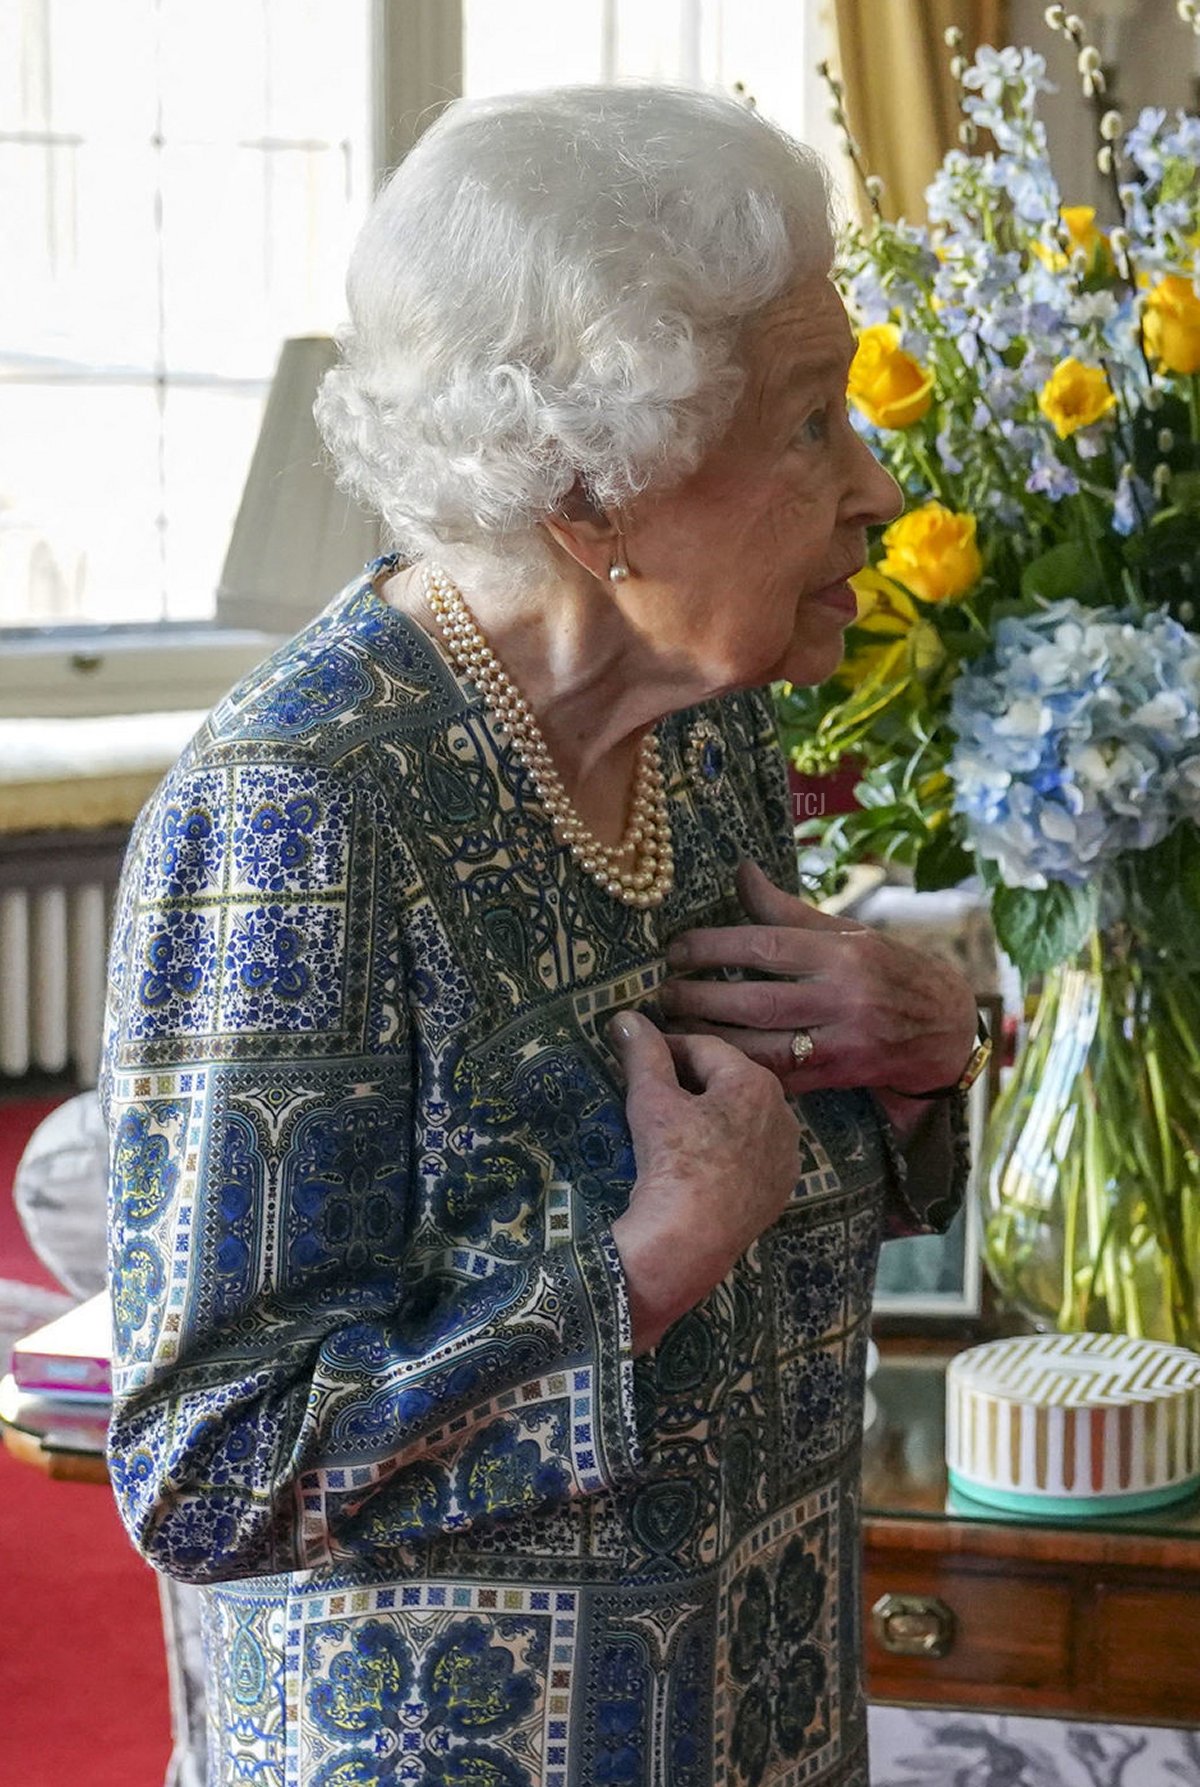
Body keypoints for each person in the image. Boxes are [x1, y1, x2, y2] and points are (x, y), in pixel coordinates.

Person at [102, 83, 979, 1787]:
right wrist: (647, 1263)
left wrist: (928, 1054)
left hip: (767, 1707)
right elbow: (209, 1471)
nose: (873, 485)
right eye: (811, 426)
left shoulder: (708, 717)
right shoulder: (304, 812)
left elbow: (779, 1176)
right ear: (599, 496)